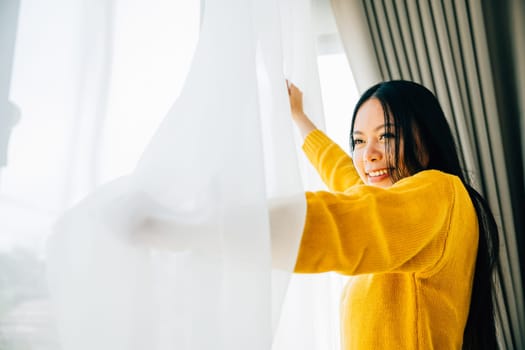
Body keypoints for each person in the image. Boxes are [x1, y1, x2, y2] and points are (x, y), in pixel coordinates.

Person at [284, 80, 500, 349]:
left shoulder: (439, 192)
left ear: (426, 137)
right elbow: (342, 173)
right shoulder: (409, 205)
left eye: (386, 136)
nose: (368, 155)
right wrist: (298, 116)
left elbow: (345, 222)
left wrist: (246, 225)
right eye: (359, 141)